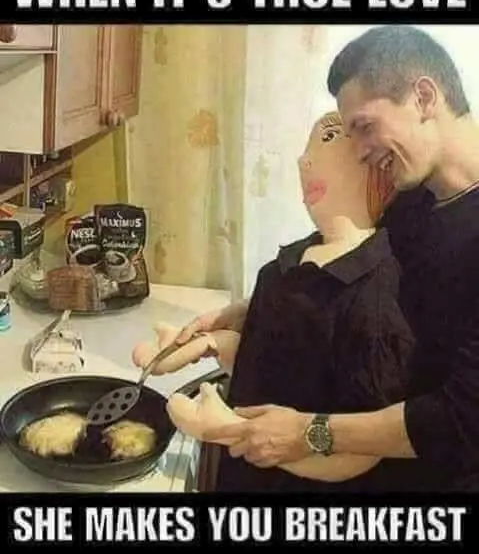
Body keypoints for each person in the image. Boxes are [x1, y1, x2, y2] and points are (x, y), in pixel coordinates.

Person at [182, 25, 479, 491]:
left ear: (424, 98)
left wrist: (309, 432)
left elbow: (462, 418)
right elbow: (356, 282)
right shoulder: (413, 198)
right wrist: (247, 312)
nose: (358, 152)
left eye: (364, 126)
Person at [136, 109, 432, 491]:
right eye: (307, 147)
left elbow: (362, 449)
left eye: (328, 138)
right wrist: (206, 344)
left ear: (377, 160)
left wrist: (230, 430)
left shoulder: (374, 301)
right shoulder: (295, 260)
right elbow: (281, 359)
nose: (303, 160)